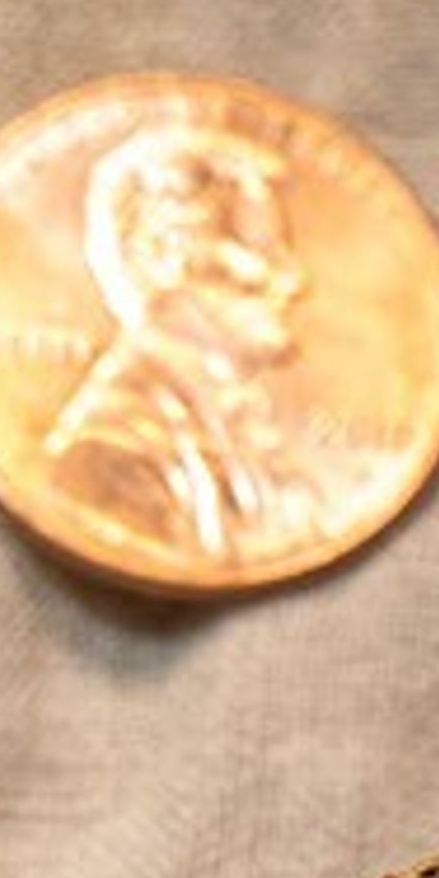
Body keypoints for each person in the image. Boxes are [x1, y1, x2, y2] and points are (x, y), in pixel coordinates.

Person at [40, 121, 310, 565]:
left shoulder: (220, 426)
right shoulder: (110, 454)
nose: (293, 280)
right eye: (257, 250)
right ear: (162, 262)